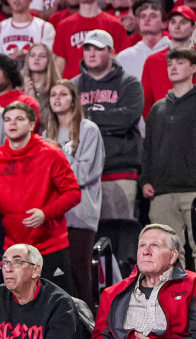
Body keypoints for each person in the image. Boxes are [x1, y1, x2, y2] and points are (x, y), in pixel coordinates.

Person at [0, 102, 81, 295]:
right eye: (8, 120)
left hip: (50, 245)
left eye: (19, 119)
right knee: (16, 305)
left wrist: (46, 213)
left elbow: (73, 193)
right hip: (14, 247)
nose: (12, 124)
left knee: (60, 304)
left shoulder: (51, 154)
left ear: (32, 123)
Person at [42, 80, 104, 307]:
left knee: (79, 270)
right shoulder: (46, 132)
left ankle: (89, 325)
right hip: (53, 215)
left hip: (80, 213)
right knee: (58, 275)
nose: (57, 98)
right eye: (53, 94)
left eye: (63, 94)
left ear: (74, 100)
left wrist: (57, 152)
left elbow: (84, 174)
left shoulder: (88, 130)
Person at [71, 30, 145, 221]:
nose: (91, 54)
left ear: (111, 52)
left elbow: (126, 120)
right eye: (87, 49)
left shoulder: (129, 84)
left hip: (118, 171)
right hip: (81, 175)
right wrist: (107, 120)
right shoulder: (72, 86)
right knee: (84, 238)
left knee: (119, 235)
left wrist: (87, 117)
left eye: (98, 49)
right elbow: (67, 122)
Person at [92, 224, 196, 338]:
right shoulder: (111, 294)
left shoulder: (192, 285)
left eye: (155, 245)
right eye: (142, 245)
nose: (146, 251)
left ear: (172, 256)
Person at [142, 48, 196, 266]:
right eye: (170, 63)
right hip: (162, 192)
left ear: (193, 68)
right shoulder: (158, 108)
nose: (173, 67)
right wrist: (145, 179)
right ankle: (176, 299)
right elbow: (148, 148)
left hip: (193, 190)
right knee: (168, 255)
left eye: (180, 62)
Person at [0, 243, 89, 339]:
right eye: (5, 263)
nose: (8, 269)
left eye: (17, 262)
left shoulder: (59, 304)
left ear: (35, 270)